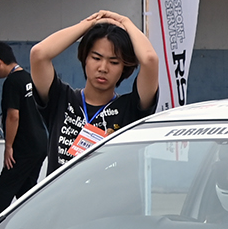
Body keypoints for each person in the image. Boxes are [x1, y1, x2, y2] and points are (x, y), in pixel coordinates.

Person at [30, 11, 160, 173]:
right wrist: (90, 24)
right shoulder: (61, 99)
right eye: (96, 58)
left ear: (124, 68)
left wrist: (126, 22)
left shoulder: (130, 109)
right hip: (62, 198)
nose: (103, 68)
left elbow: (150, 60)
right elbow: (39, 54)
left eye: (113, 62)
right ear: (85, 58)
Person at [0, 41, 47, 217]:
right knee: (26, 191)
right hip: (41, 142)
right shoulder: (28, 77)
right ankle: (36, 227)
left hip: (24, 145)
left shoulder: (12, 81)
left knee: (4, 189)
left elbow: (13, 116)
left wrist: (8, 146)